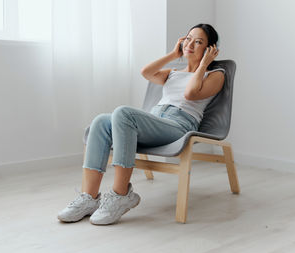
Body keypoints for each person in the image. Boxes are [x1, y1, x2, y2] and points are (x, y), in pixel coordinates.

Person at [57, 23, 225, 225]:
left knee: (123, 113)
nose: (190, 44)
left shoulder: (215, 75)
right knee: (100, 121)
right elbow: (146, 72)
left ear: (210, 49)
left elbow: (190, 94)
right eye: (188, 38)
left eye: (198, 42)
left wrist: (204, 65)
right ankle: (89, 197)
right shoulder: (173, 72)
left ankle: (121, 195)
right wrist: (174, 54)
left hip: (179, 126)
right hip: (156, 119)